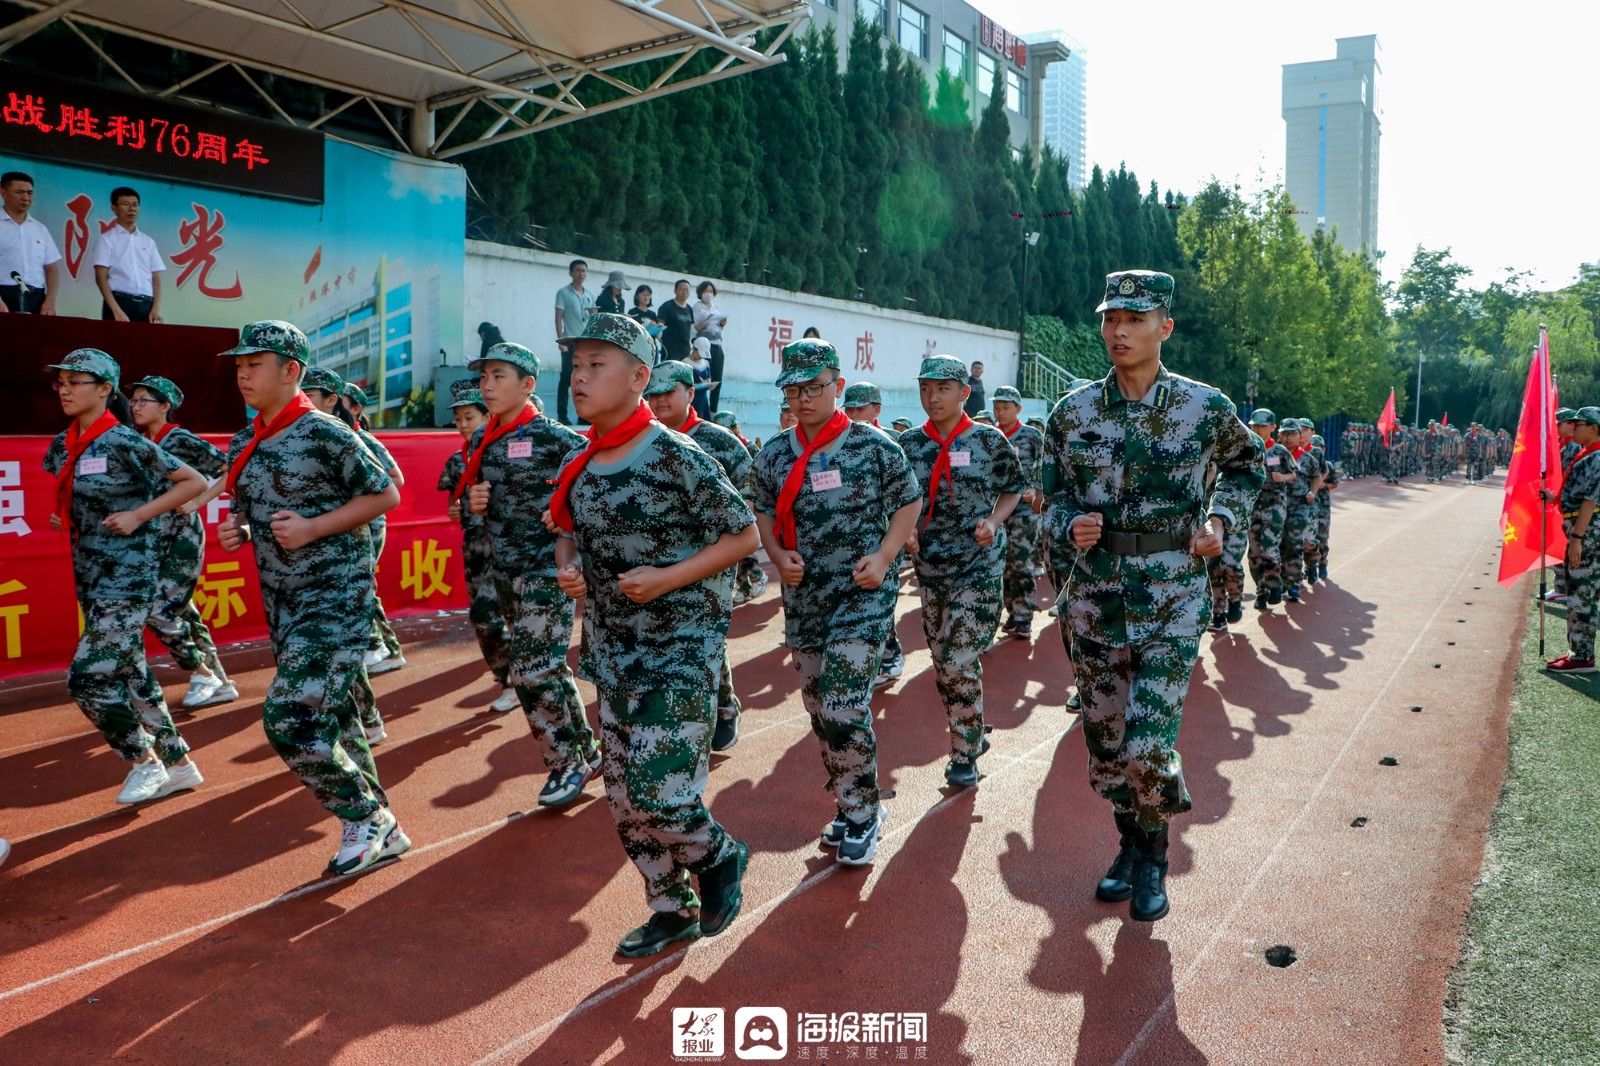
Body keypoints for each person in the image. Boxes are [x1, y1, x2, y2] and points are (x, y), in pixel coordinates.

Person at [1043, 270, 1263, 922]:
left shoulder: (1204, 408)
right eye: (1111, 318)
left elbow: (1247, 467)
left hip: (1171, 593)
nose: (1119, 331)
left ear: (1164, 326)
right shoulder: (1073, 412)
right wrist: (1066, 524)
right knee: (1108, 744)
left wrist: (1222, 522)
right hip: (1095, 597)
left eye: (1134, 319)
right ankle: (1129, 846)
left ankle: (1154, 858)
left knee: (1148, 744)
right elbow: (1048, 496)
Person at [551, 314, 756, 956]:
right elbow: (564, 528)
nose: (580, 378)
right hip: (613, 649)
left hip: (679, 646)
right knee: (624, 800)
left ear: (640, 378)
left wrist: (669, 578)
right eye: (576, 365)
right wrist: (570, 567)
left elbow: (744, 535)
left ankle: (719, 854)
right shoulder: (580, 460)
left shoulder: (676, 455)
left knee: (658, 789)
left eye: (596, 366)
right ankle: (670, 907)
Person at [217, 321, 407, 876]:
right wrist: (241, 533)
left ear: (291, 371)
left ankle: (368, 818)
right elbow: (250, 511)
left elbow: (386, 494)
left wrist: (314, 528)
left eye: (255, 364)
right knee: (338, 719)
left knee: (290, 717)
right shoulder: (244, 439)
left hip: (336, 596)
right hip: (283, 602)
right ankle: (377, 824)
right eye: (239, 366)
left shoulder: (327, 433)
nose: (243, 374)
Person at [751, 338, 922, 865]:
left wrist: (886, 555)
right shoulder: (776, 453)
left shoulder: (874, 447)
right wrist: (778, 555)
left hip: (861, 594)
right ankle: (850, 799)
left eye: (815, 388)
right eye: (794, 390)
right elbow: (760, 510)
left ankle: (862, 813)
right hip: (804, 597)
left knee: (843, 702)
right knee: (818, 709)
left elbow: (909, 501)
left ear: (838, 387)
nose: (804, 399)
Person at [43, 347, 208, 804]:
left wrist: (138, 515)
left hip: (130, 575)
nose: (65, 387)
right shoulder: (63, 444)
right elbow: (77, 492)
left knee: (88, 677)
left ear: (104, 389)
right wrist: (66, 515)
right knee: (132, 673)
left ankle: (144, 761)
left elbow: (192, 481)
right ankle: (179, 765)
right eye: (62, 380)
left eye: (78, 380)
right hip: (92, 575)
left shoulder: (124, 442)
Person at [464, 341, 600, 806]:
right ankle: (586, 748)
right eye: (484, 377)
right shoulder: (481, 440)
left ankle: (567, 765)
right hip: (506, 572)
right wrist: (471, 504)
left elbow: (596, 489)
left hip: (548, 570)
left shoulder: (558, 439)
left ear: (527, 385)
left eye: (498, 376)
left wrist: (565, 515)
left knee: (531, 671)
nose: (487, 385)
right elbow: (467, 507)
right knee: (548, 670)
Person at [899, 356, 1022, 786]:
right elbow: (900, 502)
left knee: (957, 658)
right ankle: (971, 728)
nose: (932, 398)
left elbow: (1014, 488)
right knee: (942, 662)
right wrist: (906, 531)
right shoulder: (909, 445)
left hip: (978, 567)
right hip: (931, 570)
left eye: (943, 389)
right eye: (925, 389)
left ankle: (965, 750)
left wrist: (994, 521)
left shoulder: (988, 441)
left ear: (964, 393)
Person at [645, 358, 754, 751]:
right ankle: (707, 706)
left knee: (703, 640)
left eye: (667, 393)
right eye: (651, 395)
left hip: (712, 561)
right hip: (658, 561)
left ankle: (716, 712)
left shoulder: (718, 441)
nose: (658, 403)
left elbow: (752, 486)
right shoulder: (642, 441)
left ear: (690, 394)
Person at [126, 374, 236, 708]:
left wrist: (199, 501)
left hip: (183, 537)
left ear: (164, 406)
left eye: (144, 400)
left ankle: (201, 672)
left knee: (159, 610)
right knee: (183, 613)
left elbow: (231, 467)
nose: (135, 405)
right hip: (155, 539)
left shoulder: (181, 438)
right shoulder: (141, 440)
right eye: (134, 400)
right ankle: (219, 682)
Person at [438, 379, 519, 713]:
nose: (462, 425)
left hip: (509, 548)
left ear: (487, 417)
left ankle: (524, 680)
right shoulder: (457, 461)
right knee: (484, 619)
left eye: (469, 417)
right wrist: (455, 508)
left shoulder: (507, 452)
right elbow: (453, 503)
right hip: (475, 551)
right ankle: (509, 679)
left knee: (514, 618)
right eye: (457, 419)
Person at [1548, 406, 1600, 673]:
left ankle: (1581, 656)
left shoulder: (1597, 456)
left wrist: (1577, 537)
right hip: (1578, 525)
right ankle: (1579, 651)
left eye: (1580, 424)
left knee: (1581, 592)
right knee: (1580, 590)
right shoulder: (1587, 453)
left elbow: (1590, 502)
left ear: (1593, 427)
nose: (1574, 427)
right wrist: (1551, 498)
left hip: (1586, 531)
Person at [992, 385, 1045, 637]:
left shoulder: (1031, 436)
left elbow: (1046, 464)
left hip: (1024, 511)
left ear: (1018, 409)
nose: (1000, 412)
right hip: (995, 510)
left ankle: (1024, 616)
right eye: (997, 407)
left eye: (1005, 408)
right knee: (1001, 565)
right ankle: (1011, 611)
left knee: (1021, 562)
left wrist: (1035, 488)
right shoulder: (989, 435)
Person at [1245, 409, 1295, 612]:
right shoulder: (1247, 448)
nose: (1257, 429)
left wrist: (1282, 478)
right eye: (1254, 425)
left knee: (1270, 547)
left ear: (1273, 428)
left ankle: (1274, 584)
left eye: (1262, 426)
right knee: (1254, 553)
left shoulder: (1279, 451)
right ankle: (1261, 590)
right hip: (1252, 506)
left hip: (1274, 505)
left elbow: (1293, 473)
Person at [91, 187, 164, 323]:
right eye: (125, 204)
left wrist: (155, 309)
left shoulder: (148, 241)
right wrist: (116, 310)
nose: (132, 209)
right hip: (119, 302)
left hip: (146, 304)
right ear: (114, 209)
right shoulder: (106, 239)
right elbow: (100, 278)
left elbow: (156, 279)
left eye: (135, 205)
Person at [0, 171, 61, 315]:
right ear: (3, 192)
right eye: (20, 192)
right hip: (4, 294)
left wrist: (49, 301)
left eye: (29, 193)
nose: (26, 198)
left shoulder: (40, 229)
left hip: (36, 297)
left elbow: (52, 269)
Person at [553, 259, 595, 424]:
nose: (581, 273)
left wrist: (593, 313)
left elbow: (592, 319)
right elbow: (558, 318)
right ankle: (562, 415)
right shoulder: (563, 293)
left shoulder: (589, 295)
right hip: (570, 343)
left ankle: (583, 416)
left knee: (586, 379)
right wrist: (560, 342)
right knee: (566, 379)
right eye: (577, 270)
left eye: (584, 270)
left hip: (585, 345)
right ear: (571, 273)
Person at [692, 281, 728, 411]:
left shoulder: (714, 307)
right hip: (703, 345)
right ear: (700, 293)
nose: (708, 294)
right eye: (706, 291)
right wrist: (708, 320)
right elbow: (696, 327)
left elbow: (717, 328)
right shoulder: (697, 307)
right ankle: (700, 408)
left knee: (717, 380)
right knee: (703, 378)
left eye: (711, 291)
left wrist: (722, 323)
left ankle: (713, 410)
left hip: (717, 344)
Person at [657, 279, 696, 363]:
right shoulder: (667, 306)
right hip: (670, 350)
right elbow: (660, 325)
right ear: (675, 291)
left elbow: (692, 330)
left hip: (685, 350)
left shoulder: (689, 309)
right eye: (681, 289)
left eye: (686, 289)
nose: (684, 292)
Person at [687, 338, 714, 419]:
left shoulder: (706, 363)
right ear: (694, 349)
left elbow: (708, 381)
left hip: (703, 400)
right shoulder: (685, 363)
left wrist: (711, 386)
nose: (701, 357)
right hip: (692, 400)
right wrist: (697, 385)